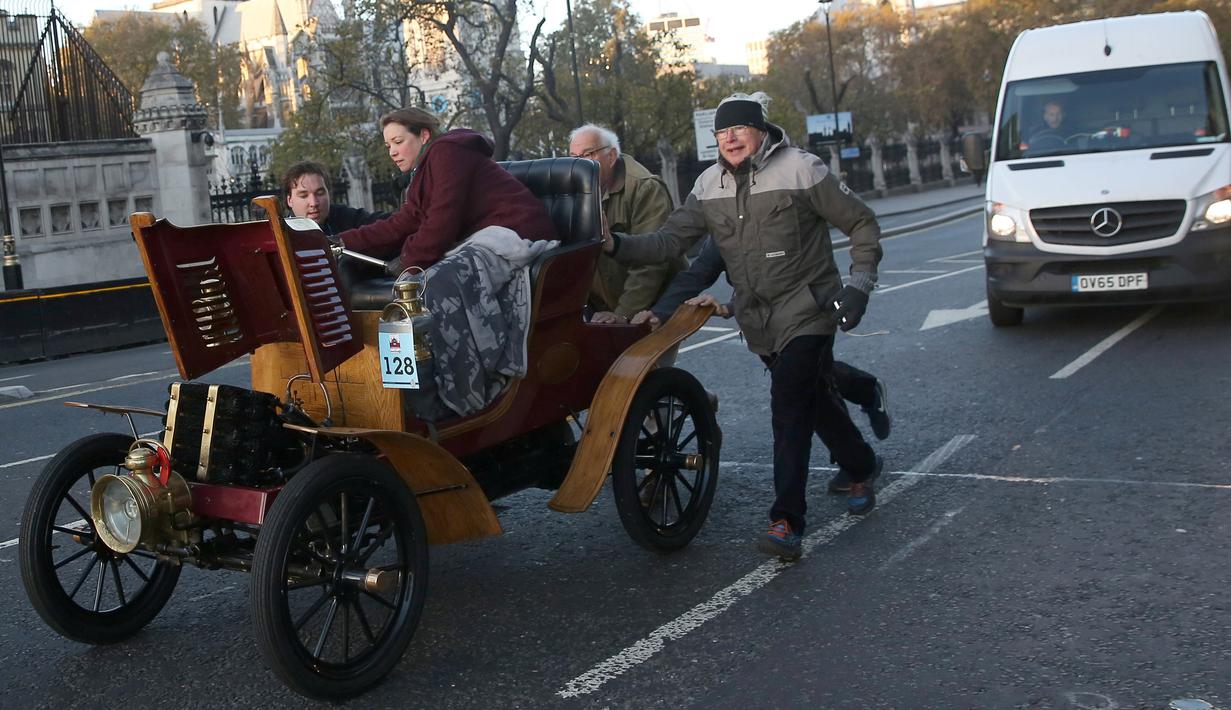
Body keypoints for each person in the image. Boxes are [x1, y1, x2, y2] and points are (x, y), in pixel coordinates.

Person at [603, 91, 884, 561]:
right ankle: (861, 464)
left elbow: (862, 224)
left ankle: (786, 522)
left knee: (789, 406)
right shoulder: (707, 184)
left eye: (739, 129)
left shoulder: (801, 168)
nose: (730, 138)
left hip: (808, 309)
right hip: (756, 317)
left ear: (760, 131)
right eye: (722, 132)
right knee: (812, 398)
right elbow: (669, 242)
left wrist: (859, 284)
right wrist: (616, 245)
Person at [633, 235, 892, 457]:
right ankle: (865, 393)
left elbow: (785, 272)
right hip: (762, 321)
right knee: (812, 381)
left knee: (803, 388)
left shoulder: (779, 209)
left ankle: (856, 465)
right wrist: (659, 313)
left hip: (806, 312)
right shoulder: (722, 218)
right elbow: (699, 273)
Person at [336, 107, 558, 273]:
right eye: (388, 146)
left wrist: (407, 261)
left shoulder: (447, 153)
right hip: (491, 238)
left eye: (398, 141)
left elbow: (442, 220)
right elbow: (403, 222)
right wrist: (342, 242)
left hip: (518, 235)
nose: (392, 152)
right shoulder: (423, 172)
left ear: (424, 135)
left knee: (438, 283)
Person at [568, 124, 686, 324]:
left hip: (654, 310)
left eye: (588, 154)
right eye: (573, 157)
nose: (580, 164)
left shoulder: (644, 187)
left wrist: (623, 314)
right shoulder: (574, 188)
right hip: (603, 310)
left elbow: (650, 262)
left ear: (611, 156)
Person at [282, 161, 388, 236]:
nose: (314, 203)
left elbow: (387, 222)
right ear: (289, 200)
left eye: (320, 193)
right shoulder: (281, 236)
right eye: (303, 195)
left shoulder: (345, 218)